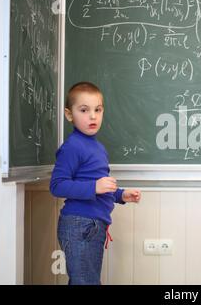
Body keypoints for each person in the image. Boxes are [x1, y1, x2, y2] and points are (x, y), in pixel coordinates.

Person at [50, 82, 141, 285]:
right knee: (85, 281)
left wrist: (121, 195)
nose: (93, 116)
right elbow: (57, 185)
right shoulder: (72, 146)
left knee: (87, 280)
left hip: (94, 225)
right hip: (79, 224)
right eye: (84, 110)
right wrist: (94, 187)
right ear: (69, 114)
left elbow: (101, 185)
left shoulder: (98, 147)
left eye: (97, 110)